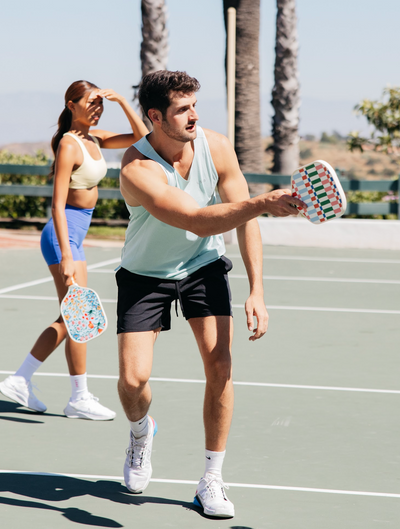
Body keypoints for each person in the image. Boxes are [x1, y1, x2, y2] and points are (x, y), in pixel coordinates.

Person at [116, 70, 306, 518]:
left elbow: (243, 220)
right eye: (182, 109)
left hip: (202, 267)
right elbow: (197, 219)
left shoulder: (216, 146)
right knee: (132, 381)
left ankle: (211, 478)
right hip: (145, 274)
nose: (193, 116)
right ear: (155, 117)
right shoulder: (136, 167)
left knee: (220, 365)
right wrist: (262, 201)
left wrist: (257, 289)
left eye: (194, 105)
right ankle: (141, 432)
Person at [0, 80, 148, 420]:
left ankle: (29, 380)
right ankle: (62, 392)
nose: (97, 109)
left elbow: (143, 137)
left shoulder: (94, 139)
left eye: (101, 105)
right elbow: (57, 204)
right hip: (62, 234)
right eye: (91, 103)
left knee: (76, 316)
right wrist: (67, 253)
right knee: (79, 316)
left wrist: (124, 102)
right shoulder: (69, 144)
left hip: (74, 237)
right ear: (71, 105)